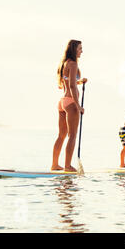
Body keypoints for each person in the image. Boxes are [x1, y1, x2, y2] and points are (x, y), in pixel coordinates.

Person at [51, 40, 87, 172]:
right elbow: (71, 85)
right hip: (71, 102)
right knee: (72, 135)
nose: (81, 51)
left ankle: (54, 165)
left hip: (62, 102)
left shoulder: (64, 64)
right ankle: (67, 166)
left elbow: (68, 82)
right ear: (73, 50)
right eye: (80, 49)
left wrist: (80, 81)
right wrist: (78, 106)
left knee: (61, 135)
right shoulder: (73, 64)